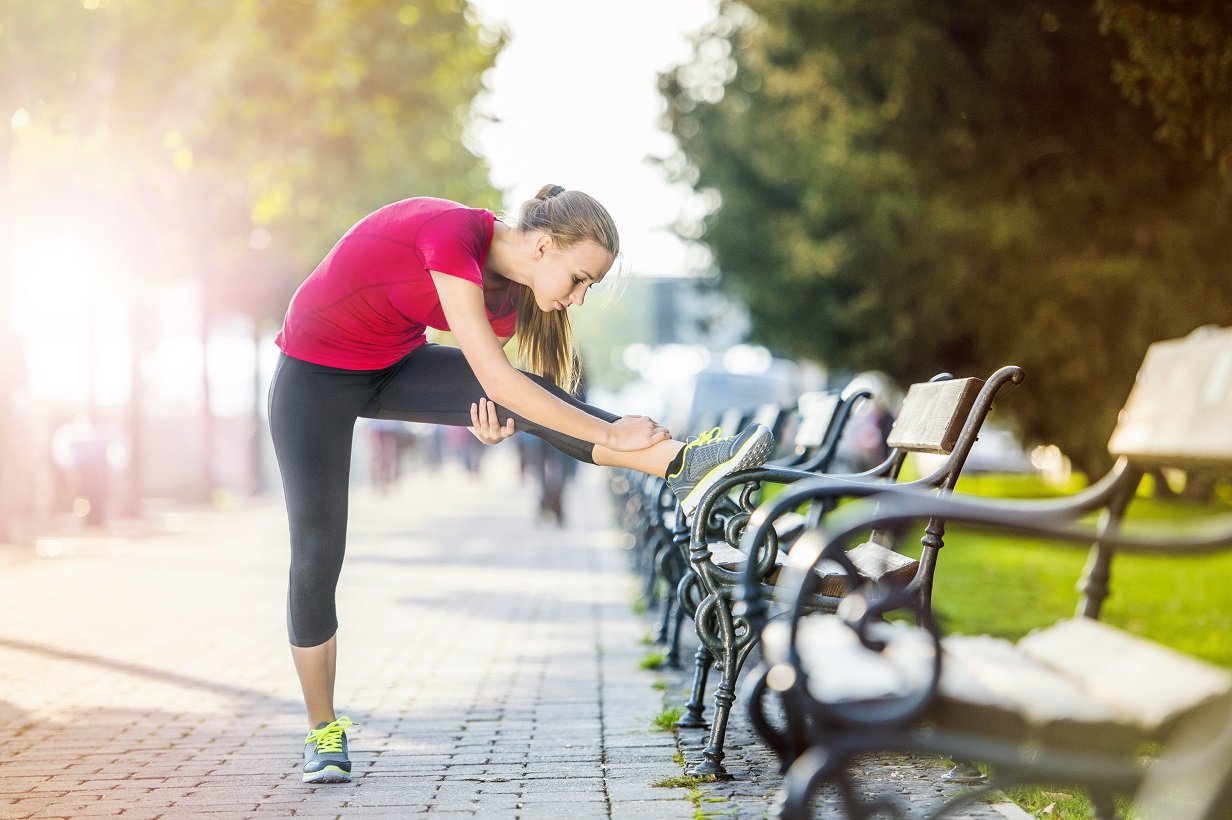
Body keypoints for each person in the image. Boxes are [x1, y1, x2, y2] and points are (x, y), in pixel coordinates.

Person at [267, 184, 773, 784]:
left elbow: (507, 394)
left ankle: (684, 466)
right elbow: (500, 384)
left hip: (392, 366)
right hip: (313, 376)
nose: (580, 298)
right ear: (541, 245)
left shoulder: (506, 302)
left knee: (538, 398)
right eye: (581, 279)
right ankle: (322, 730)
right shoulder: (452, 236)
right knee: (319, 554)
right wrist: (605, 434)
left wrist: (487, 425)